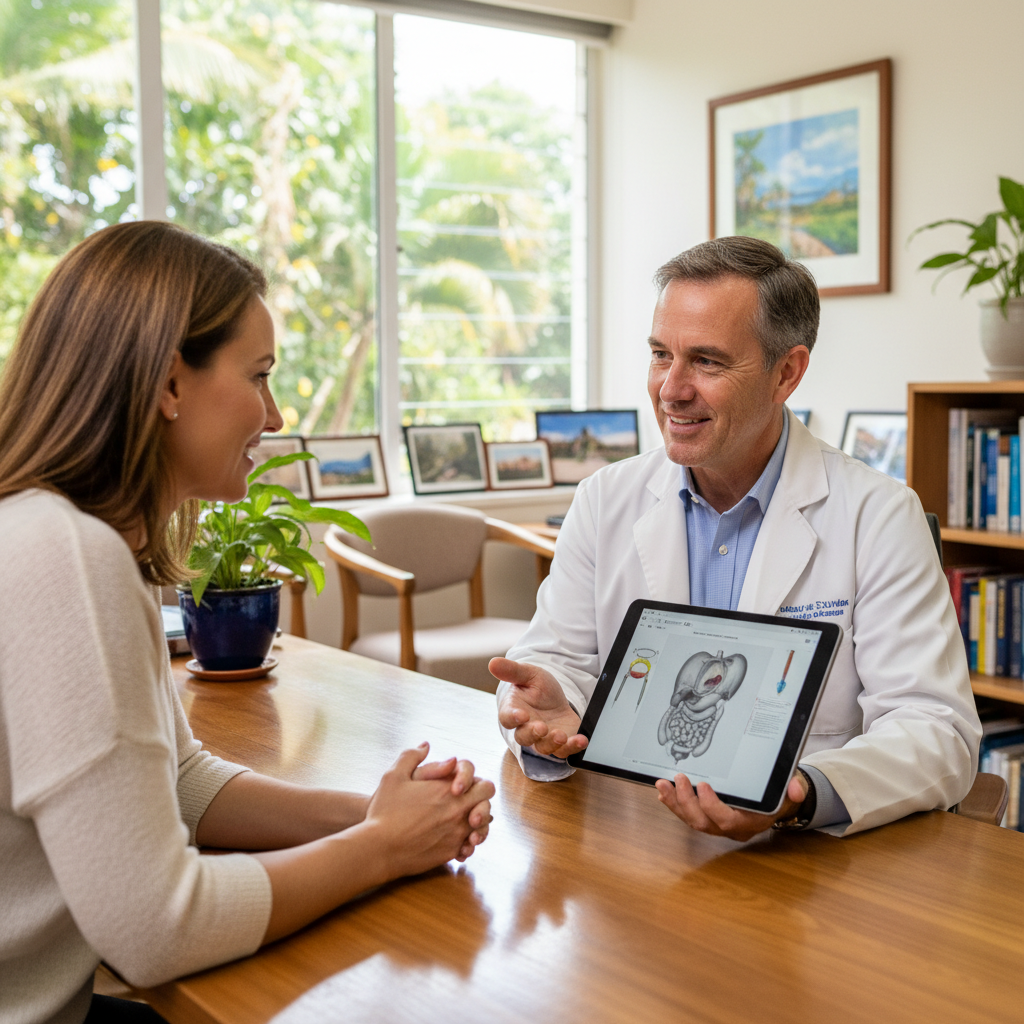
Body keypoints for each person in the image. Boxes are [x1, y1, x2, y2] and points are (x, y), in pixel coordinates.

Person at [0, 221, 494, 1024]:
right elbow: (159, 928)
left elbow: (183, 783)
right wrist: (379, 850)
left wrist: (377, 811)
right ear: (168, 384)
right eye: (258, 375)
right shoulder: (62, 556)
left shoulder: (61, 538)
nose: (271, 411)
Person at [492, 236, 981, 841]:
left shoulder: (878, 516)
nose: (671, 389)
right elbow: (555, 660)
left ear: (787, 373)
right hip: (634, 845)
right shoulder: (604, 499)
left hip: (803, 868)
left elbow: (937, 730)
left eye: (707, 361)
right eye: (659, 355)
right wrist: (548, 708)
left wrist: (797, 792)